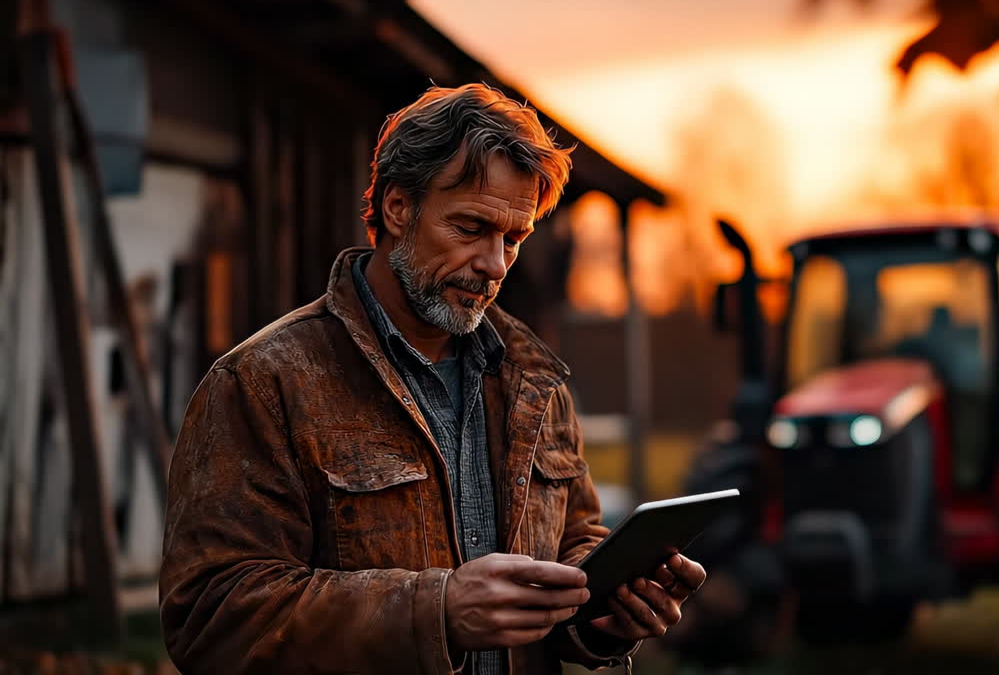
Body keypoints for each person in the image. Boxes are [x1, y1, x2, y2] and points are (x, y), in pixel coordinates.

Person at [159, 84, 705, 674]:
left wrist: (603, 614)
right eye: (470, 229)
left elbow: (572, 540)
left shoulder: (533, 380)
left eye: (513, 239)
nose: (495, 264)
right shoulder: (264, 383)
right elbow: (209, 618)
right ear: (397, 207)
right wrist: (435, 613)